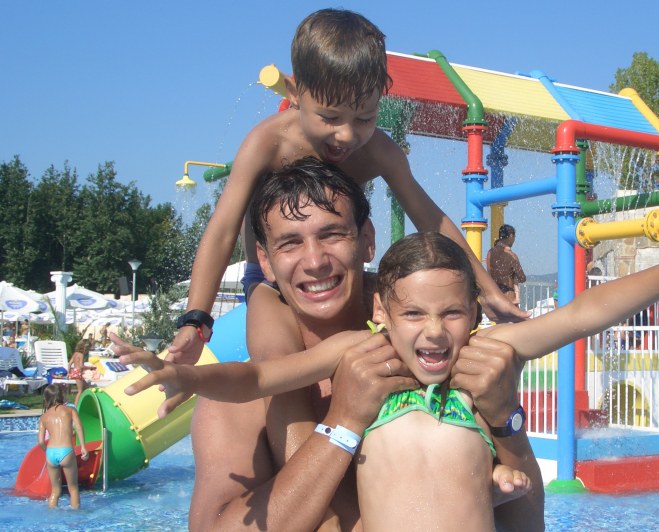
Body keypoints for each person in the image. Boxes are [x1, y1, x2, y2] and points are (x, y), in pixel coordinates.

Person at [128, 225, 659, 529]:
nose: (434, 332)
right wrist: (188, 377)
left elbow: (584, 314)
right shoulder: (365, 356)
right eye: (413, 314)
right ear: (383, 313)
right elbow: (261, 376)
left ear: (474, 313)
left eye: (451, 313)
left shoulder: (482, 358)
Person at [118, 158, 540, 530]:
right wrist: (342, 423)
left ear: (367, 239)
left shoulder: (430, 350)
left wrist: (507, 420)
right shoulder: (236, 403)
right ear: (265, 261)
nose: (316, 260)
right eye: (290, 242)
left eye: (332, 234)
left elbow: (525, 524)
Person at [168, 7, 528, 369]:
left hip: (339, 279)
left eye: (364, 118)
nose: (346, 135)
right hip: (271, 282)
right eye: (329, 117)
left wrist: (487, 290)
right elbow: (222, 229)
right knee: (280, 363)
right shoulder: (268, 144)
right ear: (295, 93)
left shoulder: (379, 151)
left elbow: (430, 219)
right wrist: (196, 319)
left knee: (399, 328)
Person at [37, 384, 88, 509]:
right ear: (61, 396)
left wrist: (47, 451)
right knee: (73, 488)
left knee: (55, 491)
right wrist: (83, 447)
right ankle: (76, 516)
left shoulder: (44, 417)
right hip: (66, 451)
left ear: (46, 398)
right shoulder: (70, 410)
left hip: (51, 453)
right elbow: (79, 427)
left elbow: (41, 442)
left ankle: (51, 516)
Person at [487, 224, 527, 306]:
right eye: (514, 237)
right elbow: (522, 278)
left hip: (494, 296)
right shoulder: (511, 255)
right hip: (509, 297)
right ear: (511, 236)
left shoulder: (490, 253)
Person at [68, 340, 92, 404]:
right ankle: (75, 405)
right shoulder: (81, 355)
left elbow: (69, 364)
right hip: (78, 373)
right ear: (84, 348)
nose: (87, 351)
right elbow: (81, 366)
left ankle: (84, 402)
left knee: (86, 387)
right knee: (80, 391)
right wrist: (90, 368)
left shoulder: (75, 353)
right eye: (87, 349)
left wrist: (68, 373)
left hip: (74, 372)